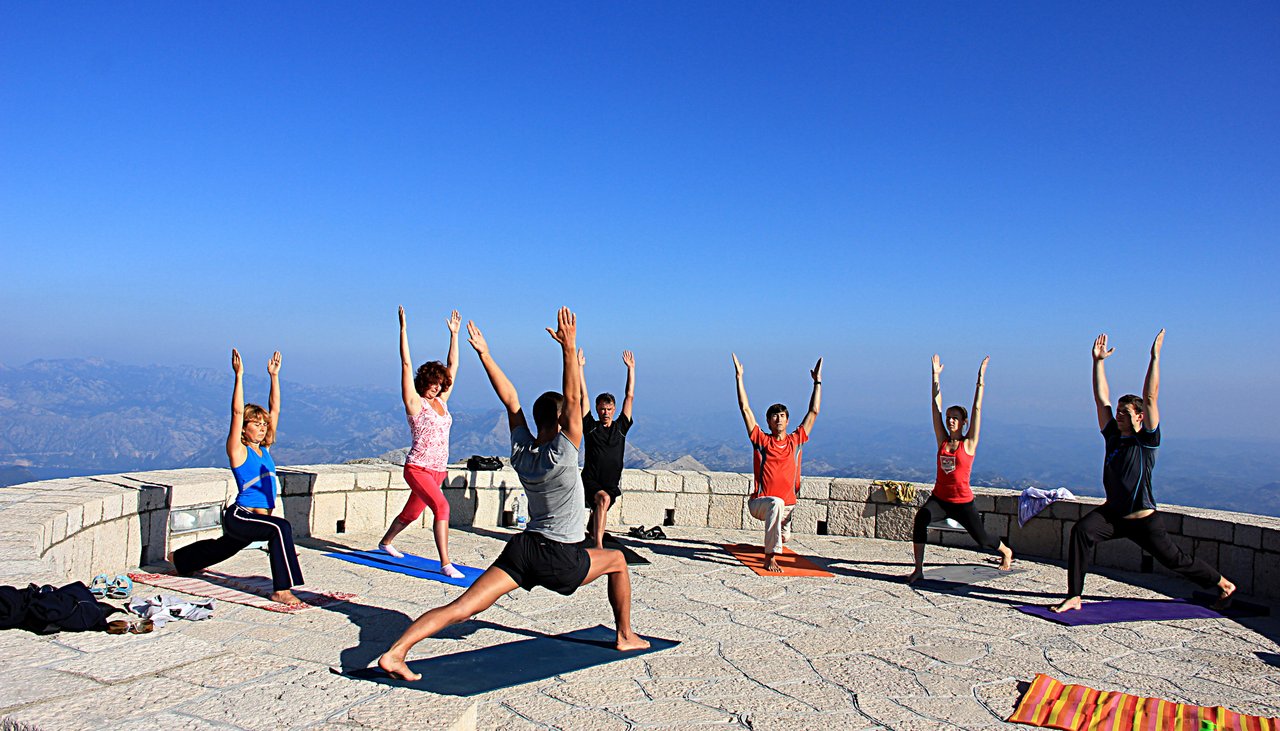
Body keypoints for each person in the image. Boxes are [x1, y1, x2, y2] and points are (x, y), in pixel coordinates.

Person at [378, 308, 649, 681]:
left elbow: (511, 400)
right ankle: (625, 635)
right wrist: (569, 348)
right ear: (560, 423)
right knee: (617, 560)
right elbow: (572, 399)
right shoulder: (564, 451)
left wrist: (485, 354)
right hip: (560, 557)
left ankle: (397, 652)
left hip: (523, 549)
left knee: (463, 606)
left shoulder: (522, 451)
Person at [1052, 330, 1235, 612]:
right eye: (1119, 412)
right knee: (1082, 531)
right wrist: (1097, 362)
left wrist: (1154, 358)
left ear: (1138, 416)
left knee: (1176, 560)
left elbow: (1150, 396)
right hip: (1113, 514)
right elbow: (1102, 400)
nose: (1119, 416)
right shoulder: (1113, 435)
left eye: (1125, 413)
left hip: (1143, 519)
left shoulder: (1146, 441)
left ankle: (1223, 584)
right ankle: (1074, 595)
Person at [172, 349, 304, 606]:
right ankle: (282, 589)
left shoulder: (265, 450)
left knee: (222, 549)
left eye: (263, 424)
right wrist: (239, 376)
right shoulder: (238, 451)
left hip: (254, 519)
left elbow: (275, 409)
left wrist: (274, 377)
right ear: (245, 428)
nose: (262, 427)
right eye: (256, 423)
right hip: (241, 515)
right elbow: (235, 413)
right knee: (281, 528)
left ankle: (181, 560)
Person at [904, 355, 1013, 583]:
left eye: (955, 418)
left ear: (963, 422)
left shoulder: (969, 444)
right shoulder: (942, 440)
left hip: (963, 503)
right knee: (921, 518)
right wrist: (935, 377)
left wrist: (980, 380)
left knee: (983, 540)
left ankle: (1005, 551)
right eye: (949, 418)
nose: (950, 421)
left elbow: (977, 409)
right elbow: (935, 408)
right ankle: (918, 569)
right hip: (940, 500)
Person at [377, 306, 465, 580]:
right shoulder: (415, 403)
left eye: (440, 383)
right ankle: (446, 562)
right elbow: (405, 365)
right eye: (433, 382)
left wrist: (454, 335)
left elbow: (454, 366)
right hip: (417, 467)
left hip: (439, 469)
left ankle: (386, 541)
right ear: (423, 381)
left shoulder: (441, 402)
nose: (436, 386)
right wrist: (403, 330)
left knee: (412, 513)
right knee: (442, 507)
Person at [731, 353, 822, 573]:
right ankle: (770, 555)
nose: (778, 419)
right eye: (774, 416)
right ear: (768, 421)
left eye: (782, 415)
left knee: (784, 528)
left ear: (788, 420)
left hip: (788, 506)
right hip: (761, 503)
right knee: (775, 504)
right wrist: (739, 377)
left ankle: (784, 526)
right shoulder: (761, 441)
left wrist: (817, 382)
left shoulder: (795, 441)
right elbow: (745, 409)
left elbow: (813, 411)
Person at [578, 349, 635, 549]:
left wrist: (631, 369)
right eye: (602, 409)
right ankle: (598, 545)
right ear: (597, 409)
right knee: (602, 500)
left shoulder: (621, 428)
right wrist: (580, 368)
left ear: (614, 409)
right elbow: (583, 395)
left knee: (601, 505)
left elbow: (630, 396)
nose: (605, 412)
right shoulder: (591, 427)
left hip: (611, 482)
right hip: (592, 480)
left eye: (609, 409)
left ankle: (592, 530)